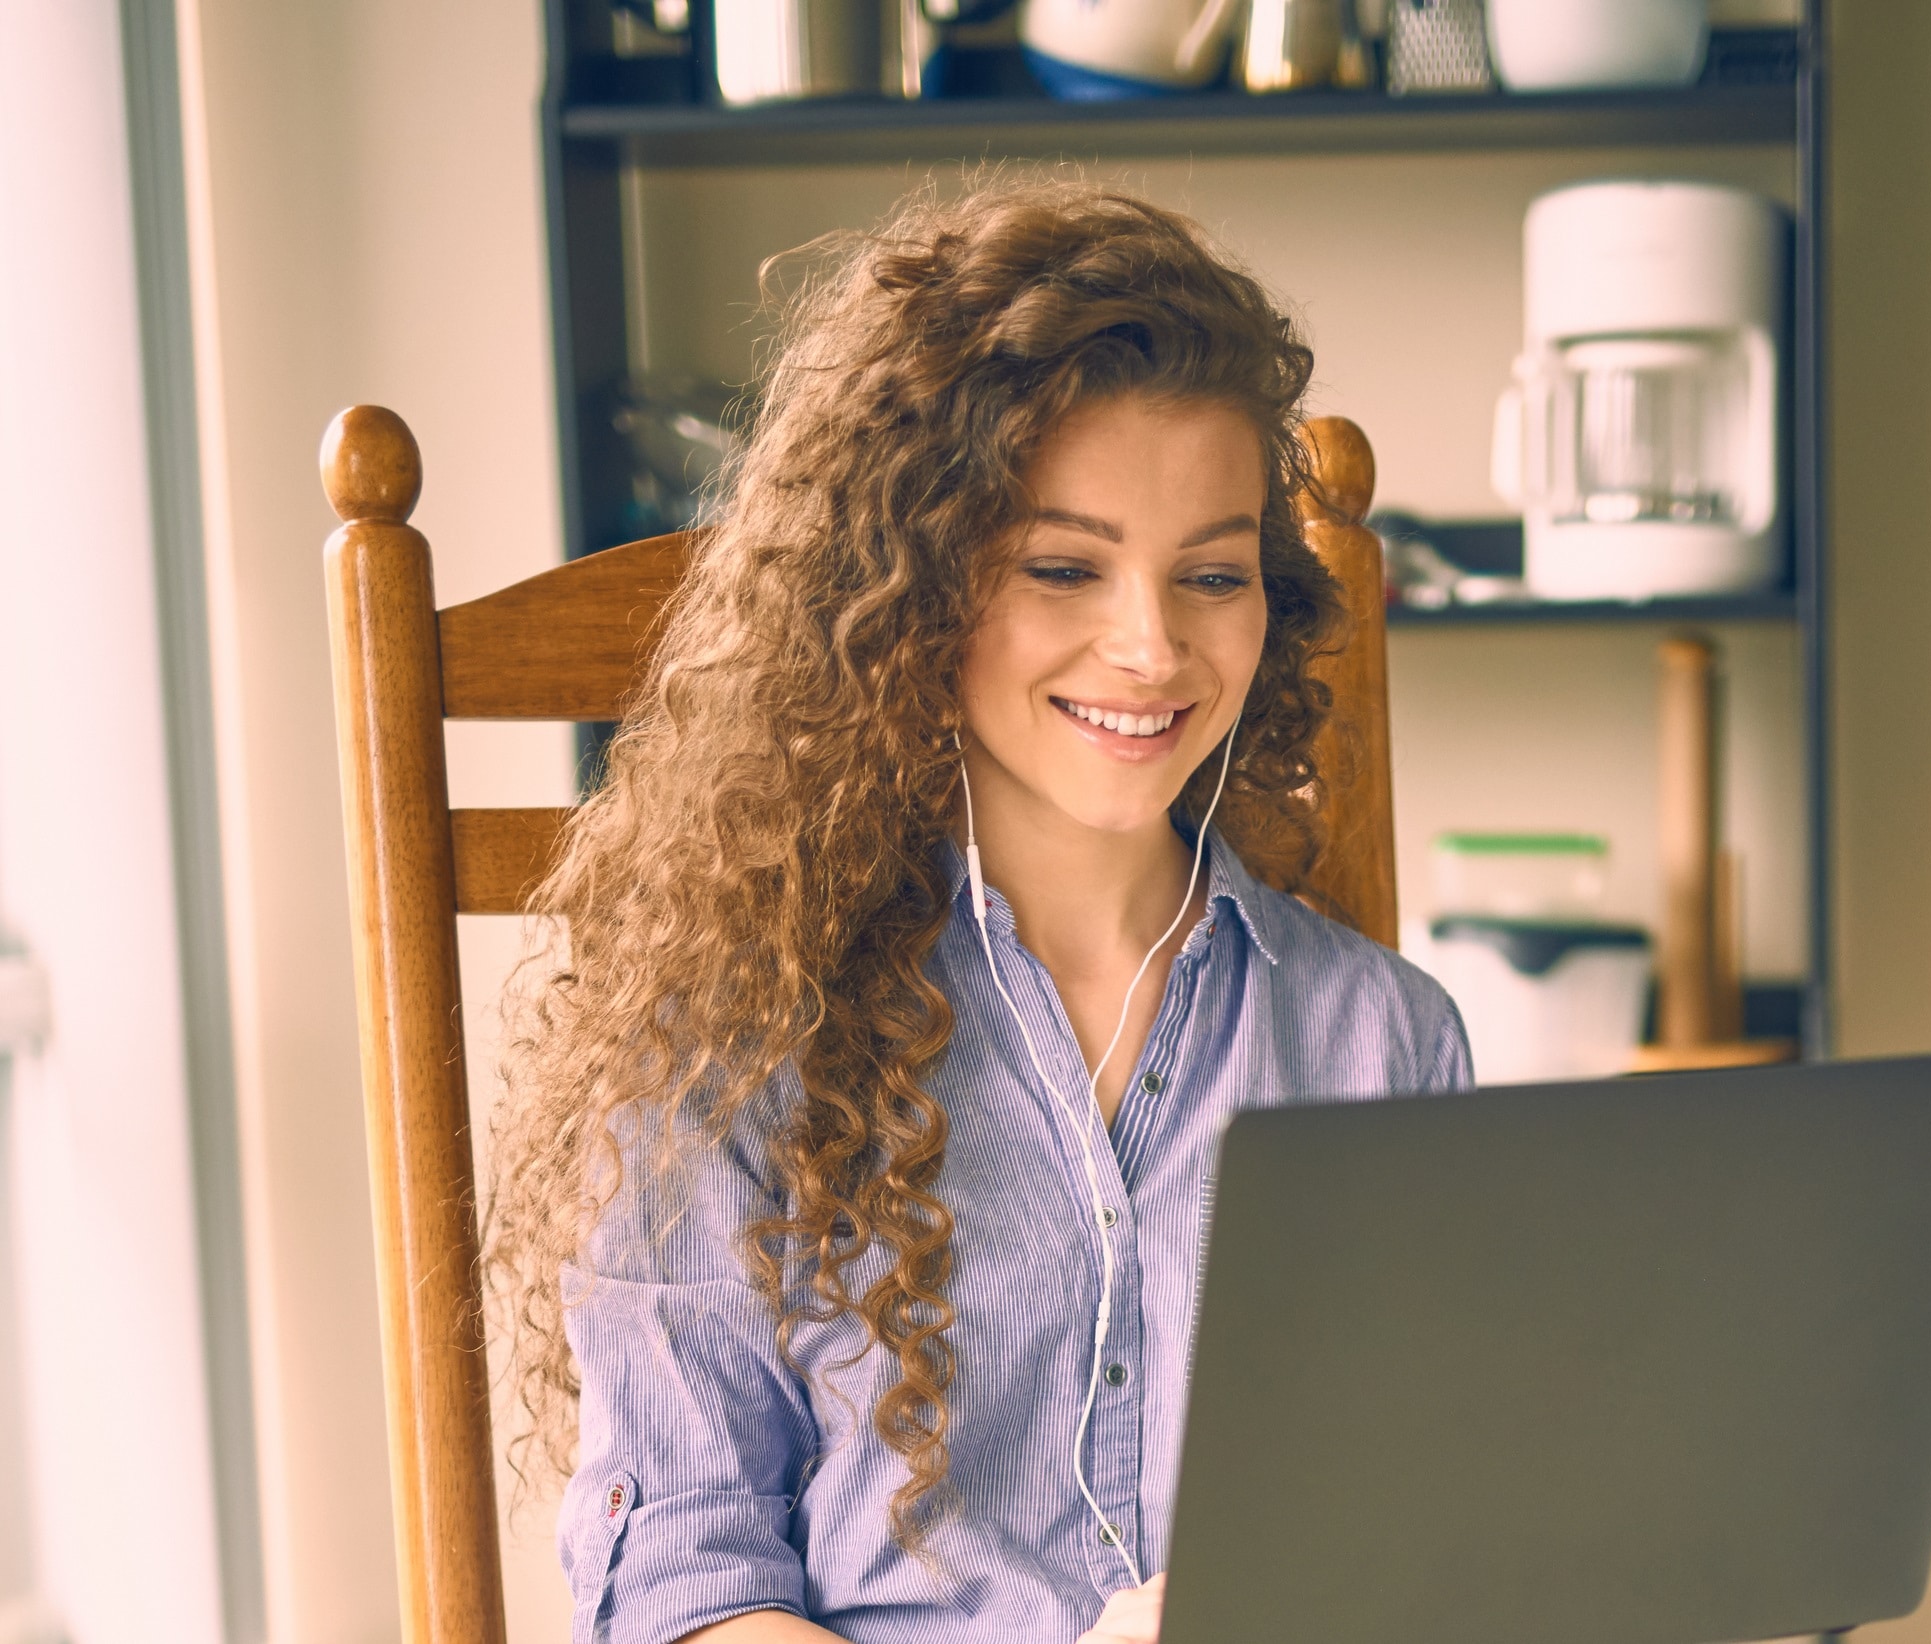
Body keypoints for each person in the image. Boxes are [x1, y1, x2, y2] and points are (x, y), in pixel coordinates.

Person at [487, 178, 1471, 1644]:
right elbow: (682, 1585)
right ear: (912, 585)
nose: (1150, 646)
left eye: (1210, 573)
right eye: (1063, 567)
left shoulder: (1379, 1040)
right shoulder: (734, 1042)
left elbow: (1437, 1522)